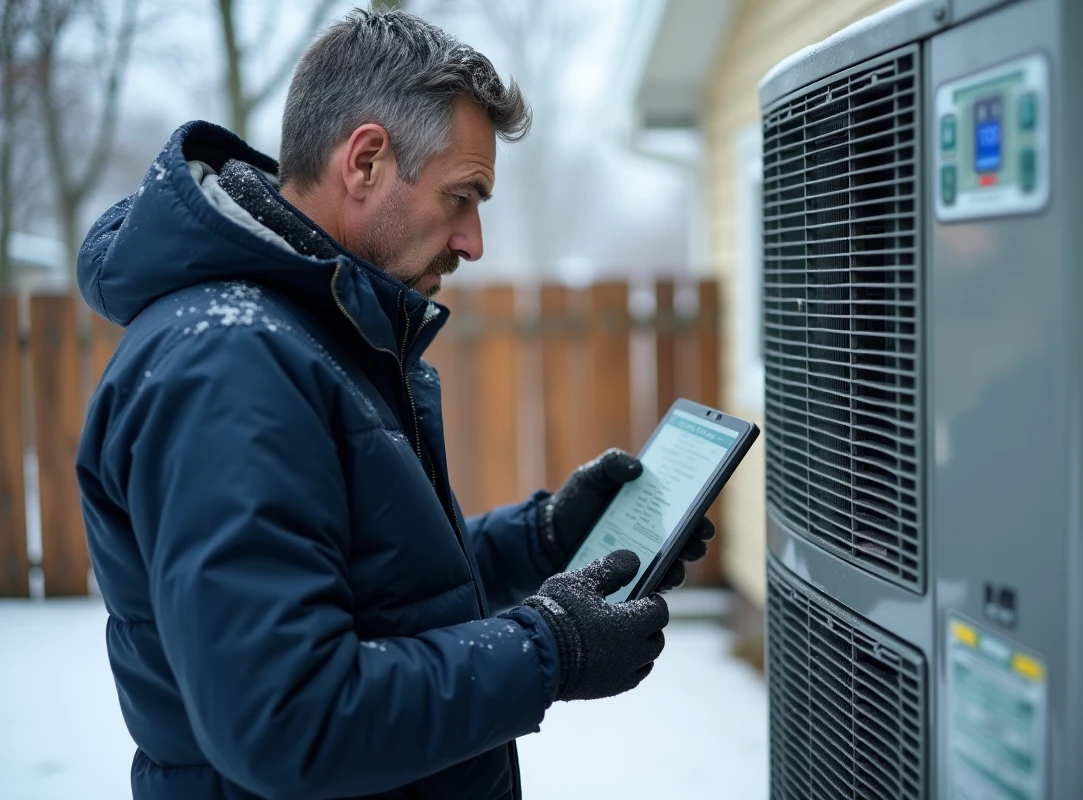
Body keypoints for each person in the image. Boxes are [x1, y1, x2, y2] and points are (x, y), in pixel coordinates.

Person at [74, 9, 716, 800]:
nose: (474, 241)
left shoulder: (311, 334)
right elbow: (288, 717)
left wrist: (544, 539)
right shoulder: (226, 364)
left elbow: (376, 592)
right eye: (462, 196)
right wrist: (550, 648)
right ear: (367, 161)